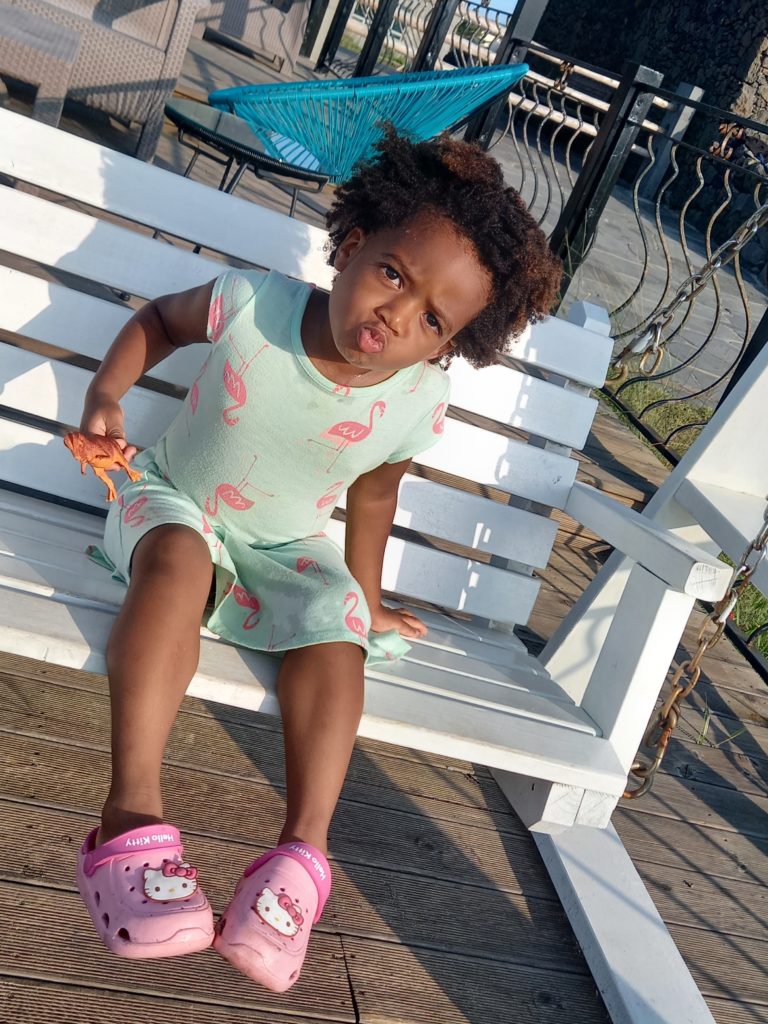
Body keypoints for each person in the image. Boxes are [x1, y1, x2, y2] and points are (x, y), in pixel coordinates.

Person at [74, 127, 561, 992]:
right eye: (393, 276)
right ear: (351, 244)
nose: (396, 316)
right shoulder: (251, 305)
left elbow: (373, 498)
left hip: (285, 546)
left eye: (431, 320)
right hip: (173, 505)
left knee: (339, 628)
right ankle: (128, 819)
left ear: (446, 347)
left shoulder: (418, 399)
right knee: (182, 559)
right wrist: (106, 394)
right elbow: (157, 322)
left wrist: (365, 602)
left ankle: (298, 861)